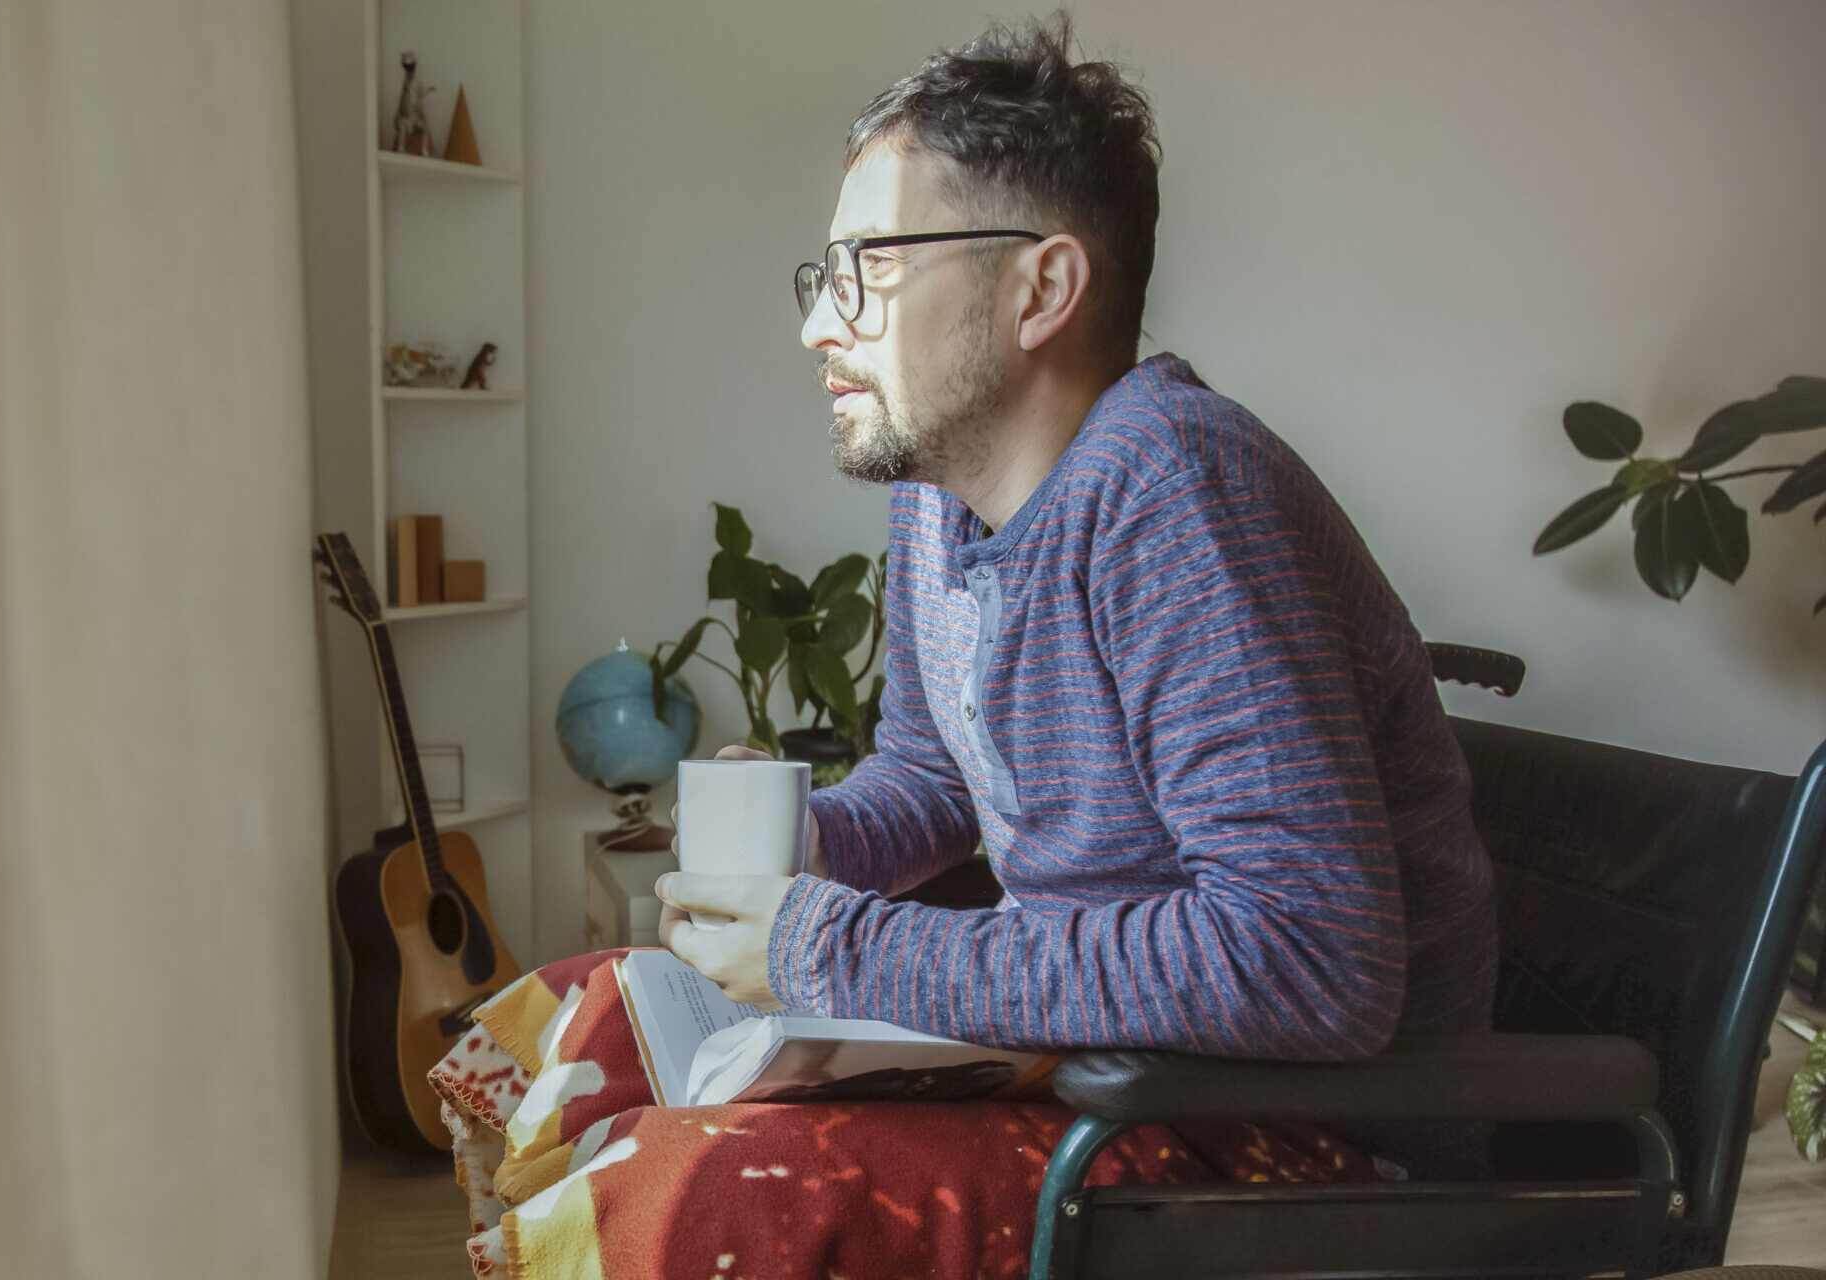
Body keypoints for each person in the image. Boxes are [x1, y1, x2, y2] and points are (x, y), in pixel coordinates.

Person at [428, 18, 1494, 1277]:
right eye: (819, 277)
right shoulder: (937, 497)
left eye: (868, 267)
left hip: (1290, 1126)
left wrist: (832, 946)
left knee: (697, 1189)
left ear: (1040, 288)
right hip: (1103, 1065)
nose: (821, 326)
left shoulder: (1172, 487)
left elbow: (1311, 959)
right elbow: (937, 776)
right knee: (582, 1010)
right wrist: (805, 839)